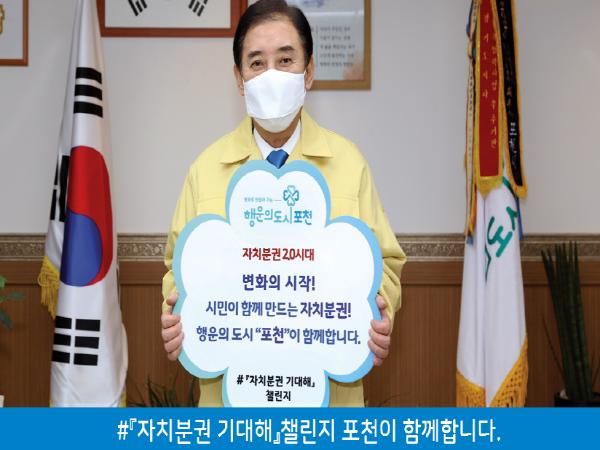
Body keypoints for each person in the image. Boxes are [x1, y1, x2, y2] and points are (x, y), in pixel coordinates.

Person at [160, 0, 406, 407]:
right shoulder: (205, 169)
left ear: (308, 72)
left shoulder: (349, 164)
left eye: (286, 60)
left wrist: (378, 313)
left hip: (329, 405)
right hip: (231, 405)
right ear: (239, 78)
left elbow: (386, 263)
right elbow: (177, 267)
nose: (271, 75)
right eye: (257, 63)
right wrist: (177, 316)